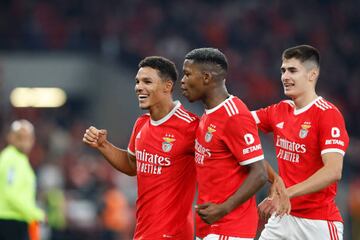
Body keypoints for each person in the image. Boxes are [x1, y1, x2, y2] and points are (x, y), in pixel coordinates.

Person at [83, 56, 198, 239]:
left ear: (167, 86)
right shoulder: (141, 124)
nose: (138, 87)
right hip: (143, 232)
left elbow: (222, 164)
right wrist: (103, 145)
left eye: (147, 81)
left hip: (173, 234)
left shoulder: (191, 127)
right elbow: (132, 166)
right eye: (137, 82)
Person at [253, 45, 350, 239]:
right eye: (283, 70)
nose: (285, 77)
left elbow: (333, 171)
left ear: (312, 74)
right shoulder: (279, 110)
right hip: (282, 218)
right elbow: (236, 122)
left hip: (318, 224)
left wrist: (285, 193)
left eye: (292, 70)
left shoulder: (327, 114)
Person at [181, 47, 267, 240]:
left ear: (206, 78)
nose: (183, 81)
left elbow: (259, 173)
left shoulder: (234, 115)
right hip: (210, 228)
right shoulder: (209, 114)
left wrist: (223, 209)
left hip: (229, 229)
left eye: (187, 74)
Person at [0, 119, 45, 240]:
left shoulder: (18, 159)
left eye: (27, 137)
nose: (24, 141)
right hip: (9, 220)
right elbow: (10, 192)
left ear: (33, 140)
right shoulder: (11, 159)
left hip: (16, 220)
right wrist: (35, 213)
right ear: (10, 137)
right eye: (19, 137)